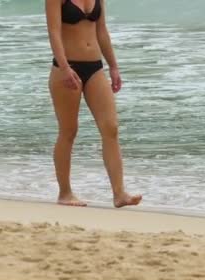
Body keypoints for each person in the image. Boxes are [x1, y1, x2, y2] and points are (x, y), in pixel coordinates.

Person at [45, 0, 142, 207]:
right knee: (68, 131)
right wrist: (64, 67)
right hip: (66, 69)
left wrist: (114, 66)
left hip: (95, 67)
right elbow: (54, 32)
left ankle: (119, 193)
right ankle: (65, 193)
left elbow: (102, 30)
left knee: (111, 127)